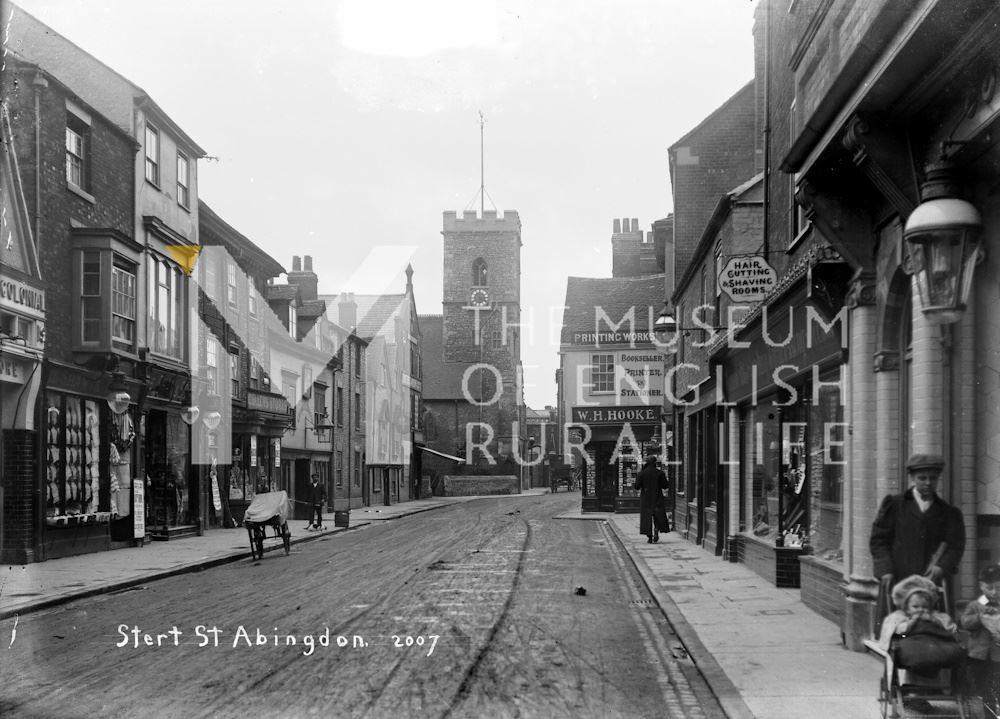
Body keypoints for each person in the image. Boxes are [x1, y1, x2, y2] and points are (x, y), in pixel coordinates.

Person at [870, 453, 966, 619]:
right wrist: (885, 570)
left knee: (933, 628)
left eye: (933, 478)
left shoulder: (949, 512)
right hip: (898, 581)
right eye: (922, 478)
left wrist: (941, 567)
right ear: (912, 478)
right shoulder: (894, 505)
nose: (928, 483)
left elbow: (956, 546)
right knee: (896, 628)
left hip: (932, 583)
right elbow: (879, 541)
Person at [879, 574, 957, 651]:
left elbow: (949, 628)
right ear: (906, 608)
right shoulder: (899, 616)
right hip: (910, 646)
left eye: (925, 607)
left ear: (931, 607)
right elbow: (898, 629)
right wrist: (912, 622)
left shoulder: (936, 616)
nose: (920, 610)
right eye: (915, 607)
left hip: (935, 645)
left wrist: (934, 620)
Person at [959, 564, 1000, 711]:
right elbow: (965, 622)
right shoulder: (975, 605)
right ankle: (983, 713)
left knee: (995, 686)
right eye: (990, 588)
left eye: (999, 588)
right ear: (982, 586)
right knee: (979, 687)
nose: (995, 592)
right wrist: (980, 616)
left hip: (997, 656)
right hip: (978, 656)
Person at [634, 454, 668, 544]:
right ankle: (656, 529)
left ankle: (649, 536)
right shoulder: (660, 473)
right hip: (657, 497)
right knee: (658, 516)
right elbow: (665, 486)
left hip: (646, 499)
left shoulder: (641, 473)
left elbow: (636, 486)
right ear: (655, 462)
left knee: (646, 518)